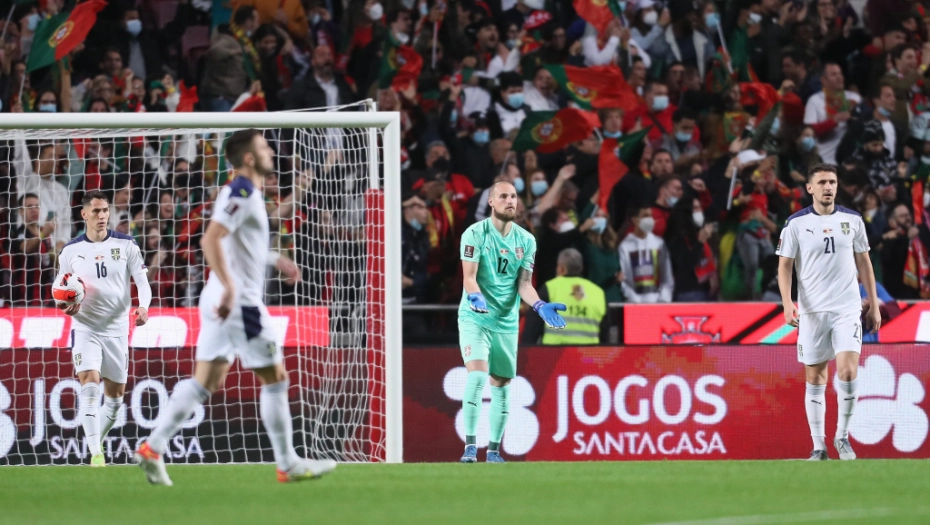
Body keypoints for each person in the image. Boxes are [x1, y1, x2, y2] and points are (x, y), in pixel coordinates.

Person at [134, 129, 336, 484]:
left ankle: (153, 447)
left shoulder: (248, 193)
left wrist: (272, 259)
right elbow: (210, 239)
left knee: (206, 381)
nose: (271, 151)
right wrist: (230, 287)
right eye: (264, 147)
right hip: (238, 301)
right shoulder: (241, 191)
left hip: (219, 298)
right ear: (249, 157)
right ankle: (288, 463)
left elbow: (236, 244)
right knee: (276, 378)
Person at [776, 163, 882, 461]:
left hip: (846, 309)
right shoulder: (795, 224)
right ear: (810, 188)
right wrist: (787, 303)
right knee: (816, 377)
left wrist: (874, 305)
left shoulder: (853, 220)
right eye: (822, 182)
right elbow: (784, 267)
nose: (828, 187)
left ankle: (842, 437)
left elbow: (864, 263)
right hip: (812, 312)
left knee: (848, 370)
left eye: (832, 182)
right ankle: (818, 446)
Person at [457, 180, 566, 463]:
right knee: (477, 376)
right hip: (476, 317)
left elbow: (524, 285)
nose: (510, 201)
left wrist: (539, 305)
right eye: (503, 196)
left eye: (514, 196)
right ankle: (470, 447)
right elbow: (469, 277)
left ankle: (493, 451)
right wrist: (476, 297)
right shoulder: (474, 234)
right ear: (491, 202)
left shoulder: (526, 240)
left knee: (502, 384)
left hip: (506, 321)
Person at [54, 191, 153, 467]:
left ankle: (94, 443)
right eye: (96, 211)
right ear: (84, 214)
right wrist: (64, 305)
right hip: (86, 327)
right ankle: (97, 454)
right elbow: (60, 288)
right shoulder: (70, 251)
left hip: (118, 329)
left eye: (105, 210)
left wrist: (144, 306)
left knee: (115, 401)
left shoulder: (126, 244)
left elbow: (142, 282)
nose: (102, 216)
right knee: (89, 384)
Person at [522, 248, 608, 345]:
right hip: (588, 354)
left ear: (561, 268)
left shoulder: (550, 288)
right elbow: (605, 334)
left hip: (555, 353)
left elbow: (532, 328)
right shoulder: (598, 292)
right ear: (581, 268)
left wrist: (525, 350)